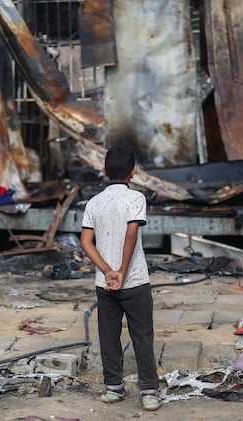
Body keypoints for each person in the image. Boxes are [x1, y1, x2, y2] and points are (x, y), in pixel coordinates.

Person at [80, 146, 162, 412]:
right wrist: (122, 271)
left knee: (108, 334)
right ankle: (149, 391)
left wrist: (106, 271)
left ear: (104, 172)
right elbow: (131, 234)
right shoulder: (136, 199)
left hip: (105, 284)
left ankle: (113, 387)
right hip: (135, 279)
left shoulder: (94, 203)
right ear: (133, 172)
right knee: (142, 334)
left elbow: (85, 242)